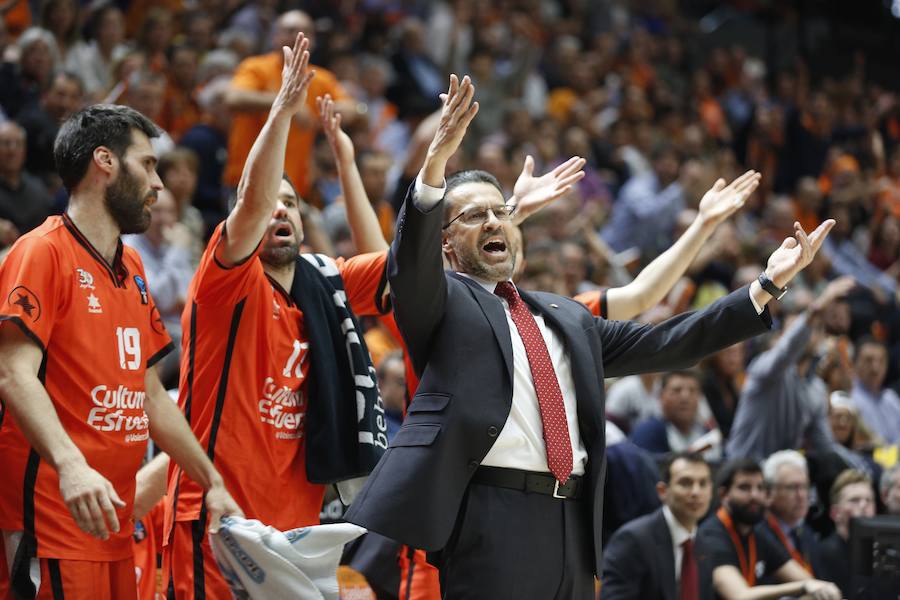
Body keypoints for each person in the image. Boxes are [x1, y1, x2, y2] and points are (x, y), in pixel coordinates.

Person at [344, 73, 835, 598]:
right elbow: (410, 267)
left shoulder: (566, 315)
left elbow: (668, 342)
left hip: (571, 521)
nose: (493, 222)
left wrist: (764, 287)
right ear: (445, 243)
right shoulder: (443, 302)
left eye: (500, 212)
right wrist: (434, 165)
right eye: (473, 215)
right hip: (489, 513)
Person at [162, 35, 388, 600]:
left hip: (297, 526)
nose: (279, 208)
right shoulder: (225, 279)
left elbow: (393, 269)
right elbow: (253, 204)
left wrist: (348, 163)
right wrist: (283, 111)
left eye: (291, 202)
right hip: (217, 515)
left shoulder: (326, 282)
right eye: (270, 201)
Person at [0, 104, 239, 599]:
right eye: (147, 164)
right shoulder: (41, 251)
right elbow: (12, 374)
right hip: (53, 517)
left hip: (115, 523)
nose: (158, 183)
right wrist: (71, 465)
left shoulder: (132, 265)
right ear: (105, 161)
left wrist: (211, 480)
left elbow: (150, 397)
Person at [223, 9, 353, 198]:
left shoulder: (320, 77)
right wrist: (286, 104)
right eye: (290, 30)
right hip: (247, 181)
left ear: (313, 40)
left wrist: (322, 113)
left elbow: (350, 109)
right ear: (275, 36)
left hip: (295, 186)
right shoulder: (255, 67)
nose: (298, 36)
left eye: (306, 31)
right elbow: (233, 99)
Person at [726, 277, 856, 460]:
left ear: (821, 337)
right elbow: (787, 350)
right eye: (795, 329)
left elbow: (826, 448)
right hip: (742, 468)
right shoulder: (764, 367)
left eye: (814, 328)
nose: (806, 334)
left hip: (784, 473)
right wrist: (817, 308)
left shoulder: (817, 389)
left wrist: (862, 466)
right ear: (783, 337)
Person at [695, 459, 840, 600]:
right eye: (744, 488)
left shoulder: (757, 533)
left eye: (760, 488)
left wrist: (818, 589)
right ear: (723, 495)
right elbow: (739, 596)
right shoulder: (711, 536)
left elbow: (809, 582)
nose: (754, 495)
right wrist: (803, 586)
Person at [601, 452, 713, 600]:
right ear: (662, 491)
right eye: (685, 483)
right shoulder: (633, 540)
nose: (696, 492)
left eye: (703, 484)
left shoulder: (704, 544)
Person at [630, 370, 721, 460]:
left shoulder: (707, 434)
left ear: (700, 397)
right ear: (661, 396)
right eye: (677, 390)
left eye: (692, 391)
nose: (685, 397)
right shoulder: (647, 432)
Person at [759, 450, 821, 577]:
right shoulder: (758, 534)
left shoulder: (807, 534)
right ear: (769, 493)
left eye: (805, 486)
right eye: (792, 487)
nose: (801, 495)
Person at [817, 469, 877, 594]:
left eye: (869, 500)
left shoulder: (880, 553)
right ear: (835, 513)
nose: (863, 505)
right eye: (854, 500)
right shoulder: (824, 554)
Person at [851, 337, 900, 444]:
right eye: (868, 360)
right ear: (854, 363)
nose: (875, 368)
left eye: (881, 361)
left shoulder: (891, 399)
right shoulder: (850, 398)